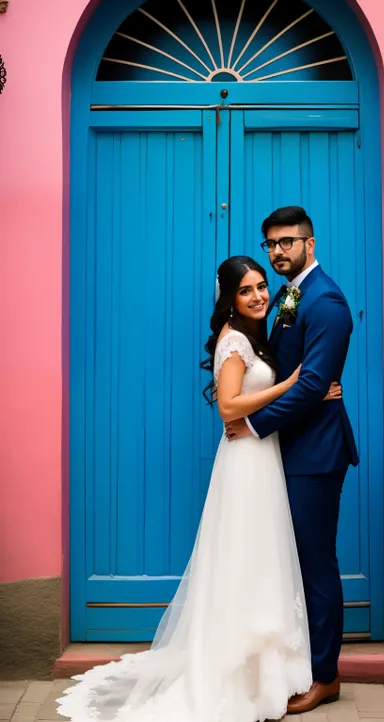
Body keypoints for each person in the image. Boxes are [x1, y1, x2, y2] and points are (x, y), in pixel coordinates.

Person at [57, 255, 341, 722]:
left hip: (262, 457)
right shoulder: (233, 343)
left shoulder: (256, 337)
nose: (258, 296)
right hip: (245, 460)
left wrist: (311, 391)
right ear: (229, 300)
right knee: (244, 555)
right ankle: (235, 669)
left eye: (262, 287)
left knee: (262, 556)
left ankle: (267, 666)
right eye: (246, 290)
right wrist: (293, 385)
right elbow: (229, 408)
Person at [225, 206, 359, 715]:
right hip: (286, 447)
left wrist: (254, 424)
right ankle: (297, 663)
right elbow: (285, 367)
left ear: (310, 242)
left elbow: (310, 384)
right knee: (287, 561)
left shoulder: (325, 301)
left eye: (287, 242)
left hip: (315, 453)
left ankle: (326, 676)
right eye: (271, 244)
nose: (278, 251)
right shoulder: (283, 295)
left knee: (315, 563)